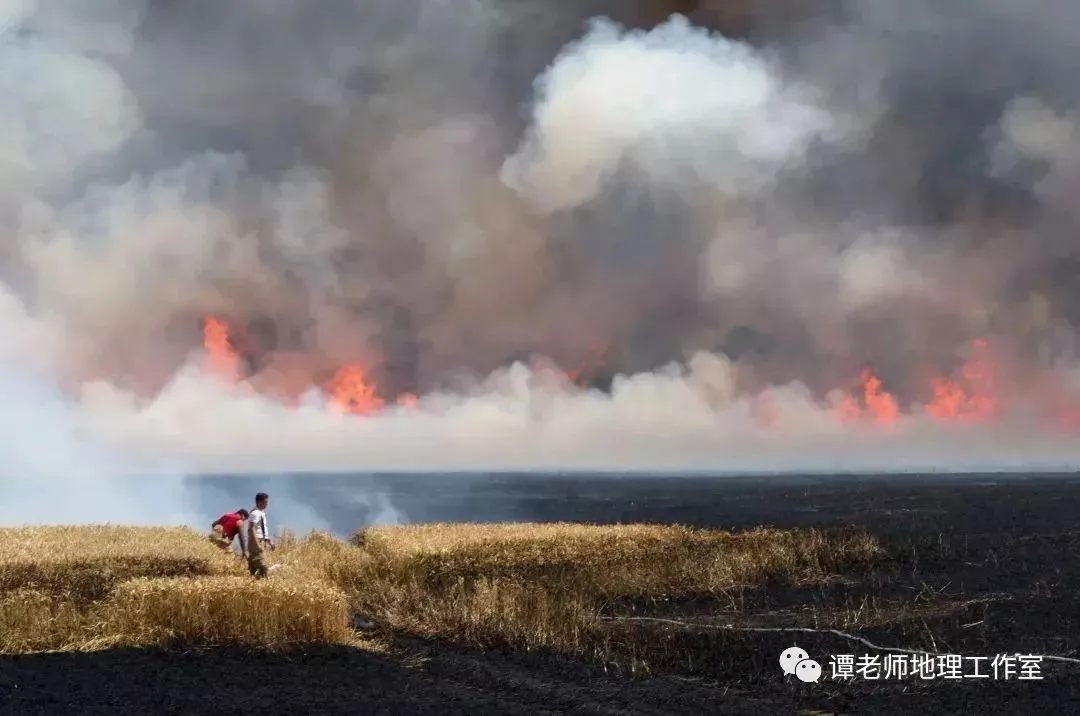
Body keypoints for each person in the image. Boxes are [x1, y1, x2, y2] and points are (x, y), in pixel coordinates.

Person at [245, 492, 274, 579]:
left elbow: (262, 529)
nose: (266, 504)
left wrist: (269, 541)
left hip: (260, 540)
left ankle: (257, 581)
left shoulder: (261, 513)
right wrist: (257, 544)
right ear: (259, 502)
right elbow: (251, 529)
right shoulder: (255, 513)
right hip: (256, 540)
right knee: (261, 564)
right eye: (265, 502)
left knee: (257, 563)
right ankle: (261, 582)